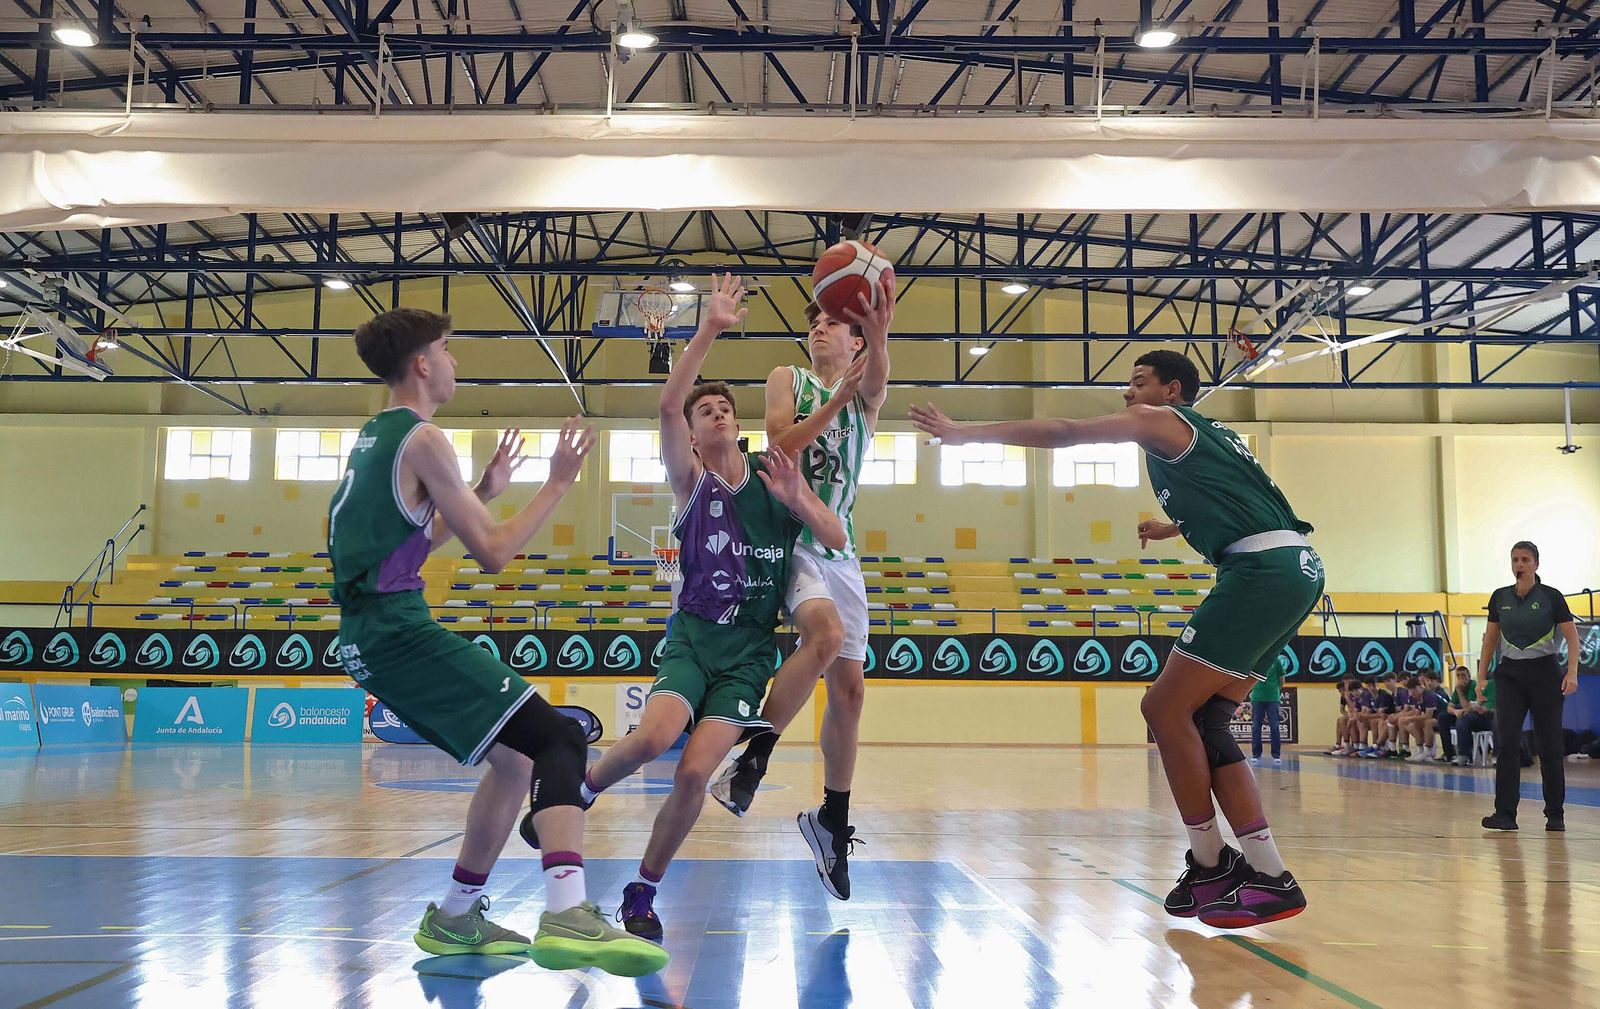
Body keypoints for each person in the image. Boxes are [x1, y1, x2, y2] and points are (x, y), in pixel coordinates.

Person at [910, 349, 1323, 929]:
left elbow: (1065, 430)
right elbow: (1248, 500)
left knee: (1161, 706)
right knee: (1205, 724)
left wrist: (963, 435)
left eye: (1138, 383)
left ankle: (1212, 863)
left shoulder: (1160, 422)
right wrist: (1175, 526)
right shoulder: (1211, 436)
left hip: (1261, 572)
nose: (1128, 395)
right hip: (1295, 568)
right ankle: (1264, 873)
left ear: (1172, 390)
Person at [329, 308, 666, 976]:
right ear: (422, 363)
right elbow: (495, 551)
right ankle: (569, 909)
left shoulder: (376, 436)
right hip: (395, 631)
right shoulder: (425, 440)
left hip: (369, 632)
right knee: (560, 738)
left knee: (515, 763)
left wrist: (480, 490)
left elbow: (408, 546)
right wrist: (558, 483)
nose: (455, 362)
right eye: (448, 350)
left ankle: (456, 915)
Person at [522, 274, 849, 941]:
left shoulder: (774, 472)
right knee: (652, 737)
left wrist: (802, 497)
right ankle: (580, 788)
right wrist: (709, 330)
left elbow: (836, 536)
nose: (719, 412)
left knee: (697, 774)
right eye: (708, 412)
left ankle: (641, 891)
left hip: (747, 654)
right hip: (694, 641)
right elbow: (669, 406)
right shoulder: (690, 482)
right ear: (695, 438)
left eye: (726, 407)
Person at [709, 277, 894, 902]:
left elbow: (875, 377)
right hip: (790, 540)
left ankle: (832, 821)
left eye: (831, 323)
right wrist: (836, 398)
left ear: (854, 339)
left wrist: (881, 331)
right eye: (813, 321)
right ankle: (754, 755)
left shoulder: (867, 397)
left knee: (851, 692)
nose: (818, 327)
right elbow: (777, 449)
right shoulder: (787, 377)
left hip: (840, 546)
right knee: (826, 637)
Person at [1477, 541, 1581, 832]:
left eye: (1524, 559)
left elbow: (1572, 638)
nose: (1519, 565)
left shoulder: (1551, 597)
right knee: (1507, 743)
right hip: (1510, 675)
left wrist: (1571, 673)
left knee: (1549, 746)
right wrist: (1482, 676)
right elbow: (1490, 639)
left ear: (1536, 564)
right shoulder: (1500, 598)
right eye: (1514, 560)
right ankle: (1505, 813)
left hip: (1545, 674)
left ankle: (1555, 814)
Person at [1249, 655, 1285, 764]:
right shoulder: (1255, 660)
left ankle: (1276, 755)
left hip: (1273, 698)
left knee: (1274, 726)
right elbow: (1249, 678)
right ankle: (1256, 754)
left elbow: (1282, 679)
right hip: (1257, 698)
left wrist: (1275, 690)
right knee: (1256, 726)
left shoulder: (1276, 661)